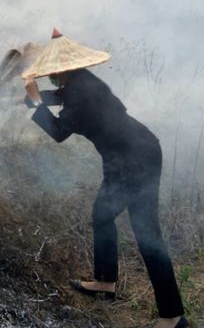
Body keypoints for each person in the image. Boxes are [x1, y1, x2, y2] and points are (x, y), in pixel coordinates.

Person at [22, 28, 187, 328]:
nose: (49, 76)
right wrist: (26, 98)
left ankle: (172, 315)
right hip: (126, 156)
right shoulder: (79, 81)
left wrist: (34, 102)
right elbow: (58, 97)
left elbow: (59, 132)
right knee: (102, 215)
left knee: (147, 235)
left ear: (62, 69)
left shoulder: (81, 91)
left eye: (51, 71)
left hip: (135, 160)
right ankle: (106, 282)